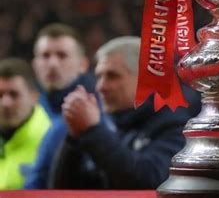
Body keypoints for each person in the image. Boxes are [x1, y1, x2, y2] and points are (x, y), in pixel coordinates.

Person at [50, 36, 201, 189]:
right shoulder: (108, 124)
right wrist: (75, 138)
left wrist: (92, 131)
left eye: (112, 76)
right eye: (99, 76)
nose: (100, 87)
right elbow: (61, 188)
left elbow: (149, 181)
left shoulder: (177, 126)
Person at [24, 23, 95, 189]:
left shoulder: (97, 114)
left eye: (62, 55)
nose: (52, 63)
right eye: (45, 56)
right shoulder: (28, 110)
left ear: (83, 64)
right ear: (34, 64)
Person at [0, 58, 51, 189]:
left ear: (34, 97)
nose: (5, 103)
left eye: (14, 95)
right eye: (0, 95)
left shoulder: (49, 139)